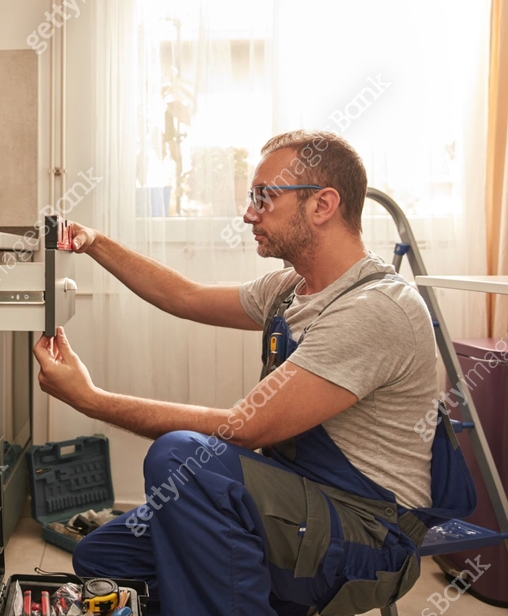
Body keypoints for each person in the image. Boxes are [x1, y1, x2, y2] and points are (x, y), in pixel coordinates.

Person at [32, 130, 475, 616]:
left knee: (180, 457)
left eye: (264, 197)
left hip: (365, 535)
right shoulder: (289, 289)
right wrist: (96, 243)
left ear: (323, 205)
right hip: (302, 503)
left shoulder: (375, 308)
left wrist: (91, 400)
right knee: (103, 557)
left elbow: (245, 428)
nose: (249, 214)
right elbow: (185, 296)